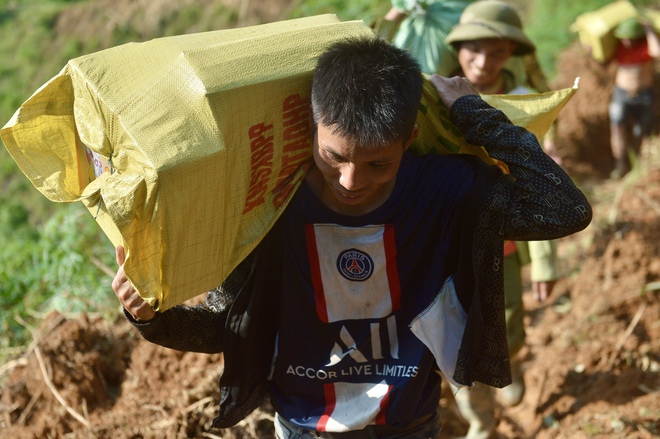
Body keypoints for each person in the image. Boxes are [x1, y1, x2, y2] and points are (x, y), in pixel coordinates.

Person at [112, 35, 592, 439]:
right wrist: (151, 318)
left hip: (411, 424)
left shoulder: (444, 191)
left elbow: (564, 209)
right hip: (303, 426)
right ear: (311, 129)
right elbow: (226, 328)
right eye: (333, 156)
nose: (350, 181)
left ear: (410, 138)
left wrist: (474, 113)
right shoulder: (270, 209)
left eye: (377, 163)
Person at [444, 1, 563, 437]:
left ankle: (510, 358)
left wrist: (545, 261)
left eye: (495, 53)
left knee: (509, 318)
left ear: (510, 52)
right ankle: (481, 417)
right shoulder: (435, 96)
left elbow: (541, 181)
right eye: (473, 50)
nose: (482, 62)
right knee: (454, 335)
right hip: (449, 243)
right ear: (457, 47)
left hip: (504, 244)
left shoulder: (523, 108)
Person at [608, 17, 660, 178]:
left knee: (643, 132)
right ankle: (621, 166)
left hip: (644, 96)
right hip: (621, 94)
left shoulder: (645, 47)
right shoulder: (618, 48)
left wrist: (648, 29)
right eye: (623, 38)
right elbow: (603, 61)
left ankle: (643, 168)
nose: (626, 41)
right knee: (617, 127)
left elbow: (657, 51)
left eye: (630, 38)